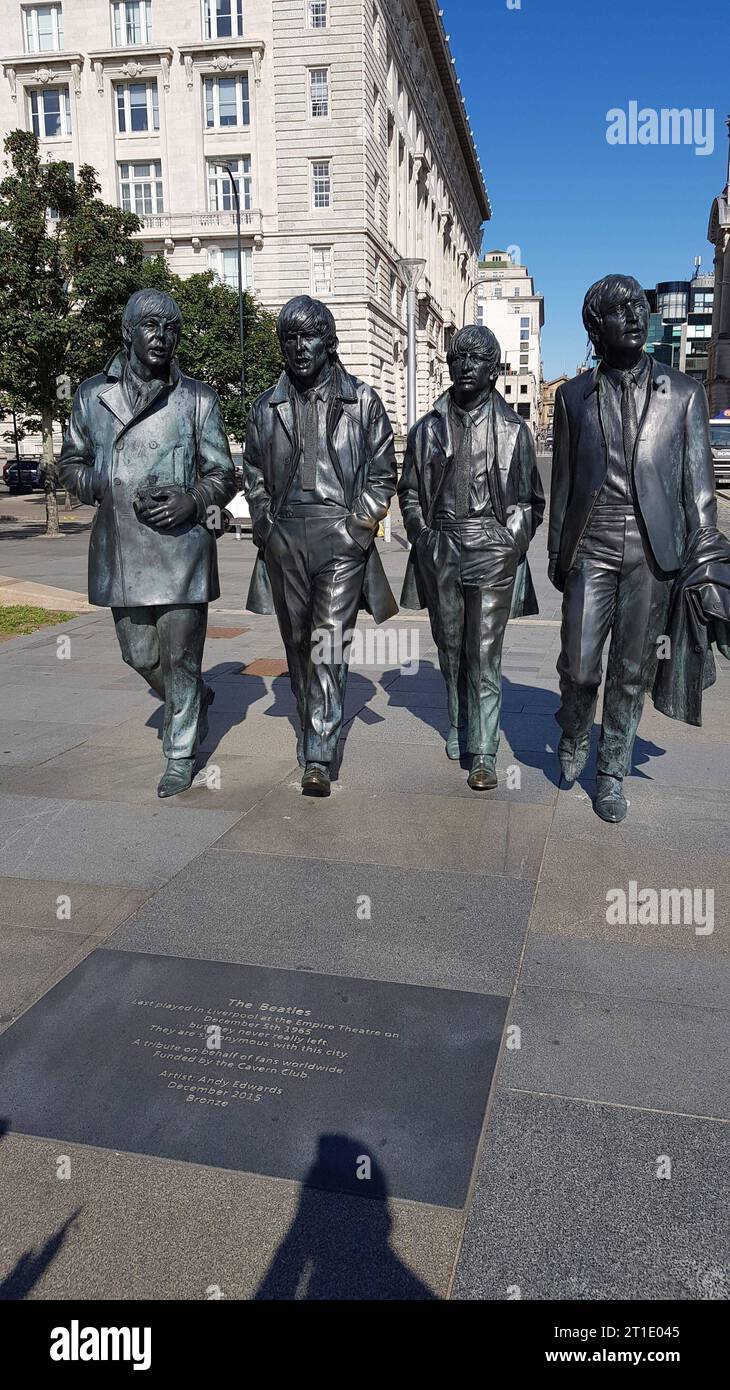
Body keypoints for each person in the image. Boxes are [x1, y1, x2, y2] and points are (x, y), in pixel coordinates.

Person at [549, 273, 716, 821]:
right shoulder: (573, 397)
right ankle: (573, 729)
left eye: (638, 306)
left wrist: (704, 558)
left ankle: (611, 773)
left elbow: (699, 487)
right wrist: (557, 555)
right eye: (620, 310)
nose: (636, 315)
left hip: (653, 550)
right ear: (596, 326)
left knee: (630, 670)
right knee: (579, 666)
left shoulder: (685, 394)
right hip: (591, 542)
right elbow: (565, 484)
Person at [59, 288, 237, 798]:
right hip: (122, 546)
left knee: (181, 657)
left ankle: (179, 753)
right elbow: (71, 463)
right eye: (151, 326)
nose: (162, 337)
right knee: (138, 654)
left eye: (171, 328)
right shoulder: (93, 395)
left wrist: (191, 500)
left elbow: (223, 472)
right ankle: (195, 700)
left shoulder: (197, 399)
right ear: (128, 332)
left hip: (182, 549)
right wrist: (105, 483)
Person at [243, 295, 398, 796]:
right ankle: (311, 720)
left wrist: (357, 529)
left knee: (328, 642)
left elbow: (381, 474)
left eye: (308, 337)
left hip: (339, 535)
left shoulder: (363, 401)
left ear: (329, 342)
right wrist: (265, 523)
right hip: (286, 536)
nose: (298, 347)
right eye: (288, 339)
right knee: (297, 645)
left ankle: (318, 750)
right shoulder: (267, 406)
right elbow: (253, 472)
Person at [398, 324, 544, 789]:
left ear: (493, 371)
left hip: (490, 546)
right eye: (458, 358)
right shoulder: (427, 428)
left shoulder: (514, 430)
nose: (465, 367)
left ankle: (484, 751)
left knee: (484, 653)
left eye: (476, 360)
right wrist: (422, 536)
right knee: (450, 647)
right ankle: (459, 720)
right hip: (441, 544)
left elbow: (529, 500)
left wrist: (510, 541)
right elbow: (409, 492)